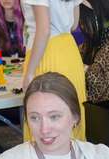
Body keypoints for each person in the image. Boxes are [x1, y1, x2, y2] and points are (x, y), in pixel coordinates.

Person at [22, 0, 88, 137]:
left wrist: (29, 73)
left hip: (47, 53)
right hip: (68, 50)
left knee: (44, 115)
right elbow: (74, 24)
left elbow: (44, 30)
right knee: (69, 114)